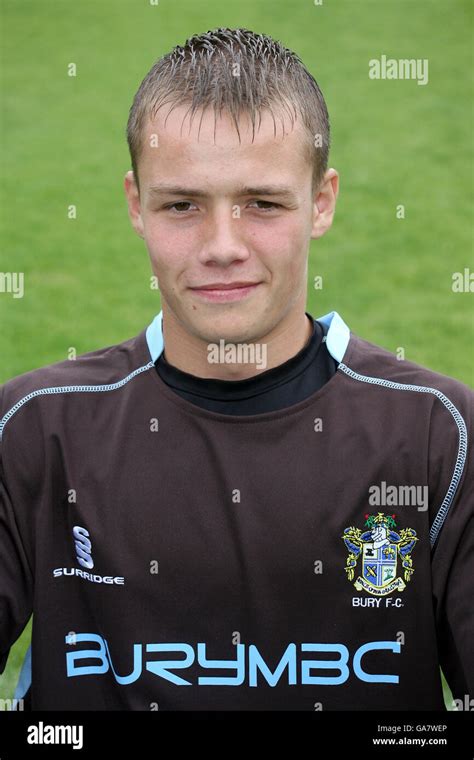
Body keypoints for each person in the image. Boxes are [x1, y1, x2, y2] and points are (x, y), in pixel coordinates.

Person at [0, 27, 472, 712]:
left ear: (322, 201)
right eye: (182, 205)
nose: (223, 247)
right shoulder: (33, 432)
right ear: (137, 204)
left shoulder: (439, 441)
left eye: (263, 204)